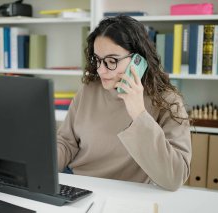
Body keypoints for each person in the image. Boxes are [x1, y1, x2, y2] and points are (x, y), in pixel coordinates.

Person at [56, 15, 191, 191]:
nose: (101, 70)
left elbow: (175, 177)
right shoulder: (88, 91)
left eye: (112, 61)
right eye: (97, 60)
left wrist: (139, 114)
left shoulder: (168, 102)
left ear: (138, 60)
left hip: (126, 194)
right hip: (77, 185)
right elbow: (67, 143)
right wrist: (38, 168)